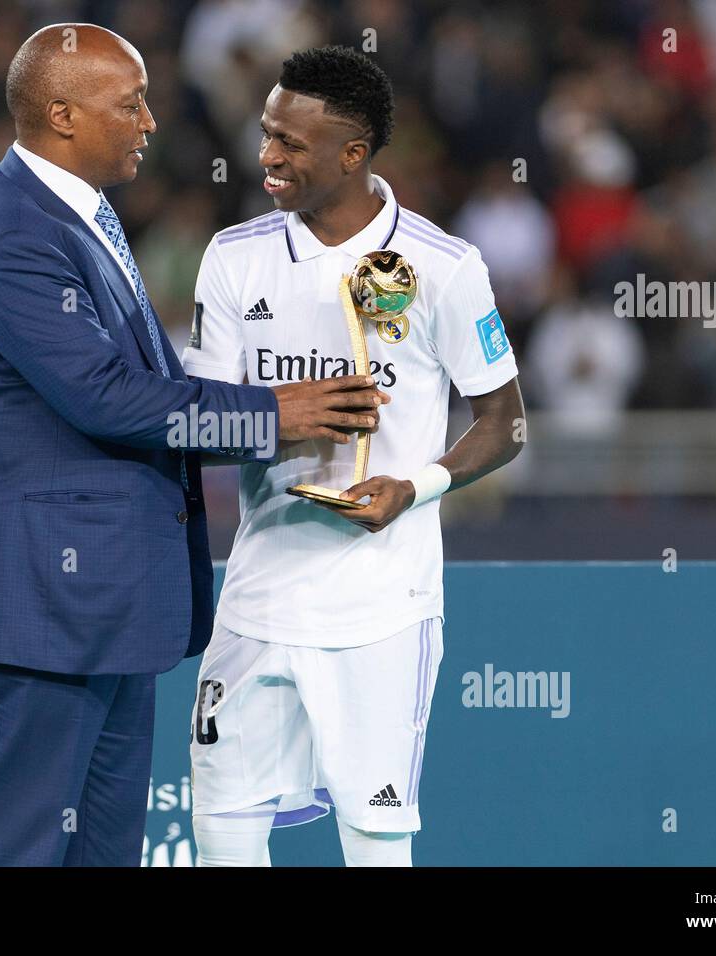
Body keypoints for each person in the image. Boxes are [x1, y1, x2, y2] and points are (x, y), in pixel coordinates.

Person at [0, 24, 387, 867]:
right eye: (129, 105)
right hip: (37, 602)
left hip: (102, 601)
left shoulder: (74, 215)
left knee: (102, 853)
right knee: (16, 848)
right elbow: (108, 399)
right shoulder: (13, 233)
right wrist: (274, 415)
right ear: (61, 115)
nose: (150, 122)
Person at [183, 46, 527, 866]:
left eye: (290, 144)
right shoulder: (234, 257)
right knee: (221, 824)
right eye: (265, 134)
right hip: (256, 594)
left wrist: (417, 485)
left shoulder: (445, 269)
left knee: (374, 839)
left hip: (382, 606)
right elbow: (196, 422)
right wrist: (279, 421)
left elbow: (505, 424)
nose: (266, 155)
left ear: (353, 154)